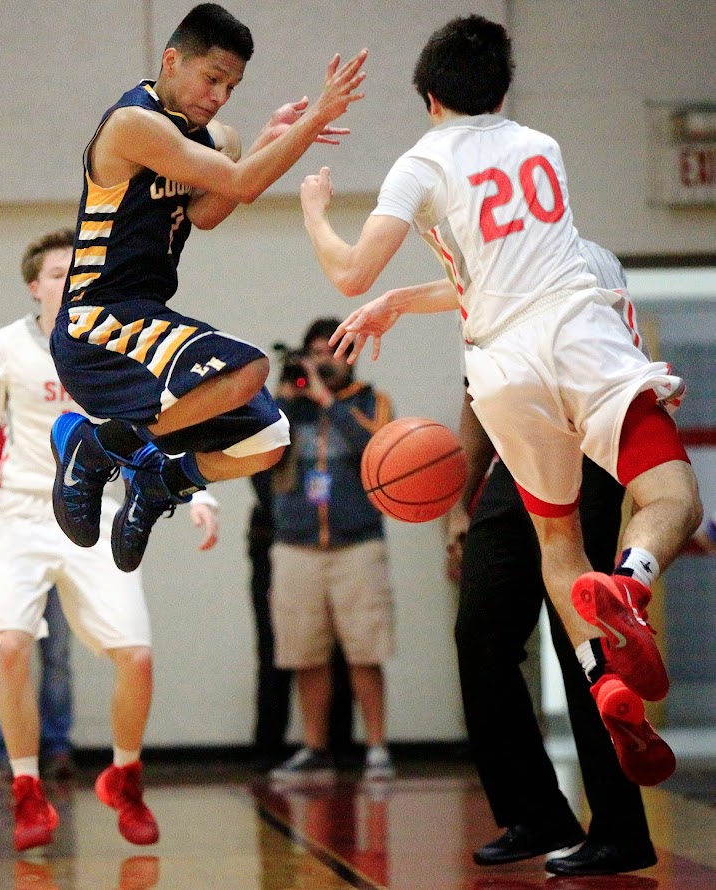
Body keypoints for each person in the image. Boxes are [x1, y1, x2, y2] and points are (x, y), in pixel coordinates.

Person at [298, 14, 702, 788]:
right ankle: (633, 583)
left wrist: (318, 212)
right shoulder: (539, 145)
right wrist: (400, 303)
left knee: (557, 549)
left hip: (501, 369)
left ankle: (603, 677)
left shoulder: (419, 163)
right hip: (577, 337)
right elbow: (524, 270)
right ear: (503, 89)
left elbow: (351, 273)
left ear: (427, 96)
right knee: (671, 495)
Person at [48, 4, 368, 576]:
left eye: (231, 86)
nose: (220, 96)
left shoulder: (216, 137)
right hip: (95, 324)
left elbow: (209, 212)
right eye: (211, 78)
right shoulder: (133, 124)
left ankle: (161, 479)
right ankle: (95, 447)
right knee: (247, 369)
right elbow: (243, 186)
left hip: (144, 320)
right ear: (171, 61)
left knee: (268, 439)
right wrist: (313, 119)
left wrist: (270, 137)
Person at [0, 228, 220, 853]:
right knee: (12, 647)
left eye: (77, 273)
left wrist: (198, 492)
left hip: (96, 512)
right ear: (34, 286)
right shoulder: (4, 349)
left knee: (139, 658)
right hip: (18, 515)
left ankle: (124, 776)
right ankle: (24, 789)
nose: (67, 283)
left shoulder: (116, 350)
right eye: (55, 274)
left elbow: (159, 430)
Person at [447, 240, 657, 876]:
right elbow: (481, 393)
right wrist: (461, 500)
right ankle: (535, 811)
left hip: (591, 438)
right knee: (479, 632)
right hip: (520, 456)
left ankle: (622, 829)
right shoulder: (483, 273)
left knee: (582, 644)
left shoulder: (576, 258)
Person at [267, 318, 395, 783]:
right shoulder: (288, 407)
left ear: (351, 354)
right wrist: (282, 402)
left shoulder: (371, 401)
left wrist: (329, 403)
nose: (324, 361)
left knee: (365, 650)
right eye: (316, 353)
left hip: (357, 543)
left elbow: (380, 451)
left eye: (333, 351)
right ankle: (315, 749)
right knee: (306, 654)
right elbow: (259, 457)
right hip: (296, 544)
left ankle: (377, 748)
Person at [0, 430, 75, 782]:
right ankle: (7, 752)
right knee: (5, 657)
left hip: (56, 554)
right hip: (8, 558)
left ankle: (57, 747)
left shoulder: (58, 430)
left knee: (56, 658)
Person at [248, 470, 355, 770]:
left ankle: (339, 746)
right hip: (278, 535)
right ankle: (268, 748)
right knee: (276, 648)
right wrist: (297, 511)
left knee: (343, 646)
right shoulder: (275, 423)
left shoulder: (351, 421)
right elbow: (258, 470)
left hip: (342, 535)